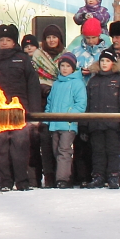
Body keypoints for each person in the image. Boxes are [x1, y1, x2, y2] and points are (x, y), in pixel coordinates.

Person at [0, 24, 44, 191]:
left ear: (14, 42)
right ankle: (5, 181)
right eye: (1, 40)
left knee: (20, 146)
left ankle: (22, 181)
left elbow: (33, 86)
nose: (4, 43)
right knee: (0, 147)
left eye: (8, 40)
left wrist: (33, 113)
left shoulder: (23, 59)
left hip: (20, 110)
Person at [82, 49, 120, 189]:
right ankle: (98, 176)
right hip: (95, 124)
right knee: (97, 151)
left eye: (108, 61)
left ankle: (114, 176)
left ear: (113, 63)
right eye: (102, 61)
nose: (104, 64)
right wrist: (84, 125)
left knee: (113, 151)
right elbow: (87, 104)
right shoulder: (93, 81)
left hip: (113, 124)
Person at [43, 53, 85, 188]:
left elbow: (81, 103)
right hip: (54, 124)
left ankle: (63, 179)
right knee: (56, 151)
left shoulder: (77, 83)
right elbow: (50, 103)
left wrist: (70, 116)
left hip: (68, 124)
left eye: (68, 66)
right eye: (62, 66)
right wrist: (47, 119)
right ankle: (66, 175)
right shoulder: (56, 84)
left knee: (64, 150)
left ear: (73, 68)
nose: (65, 69)